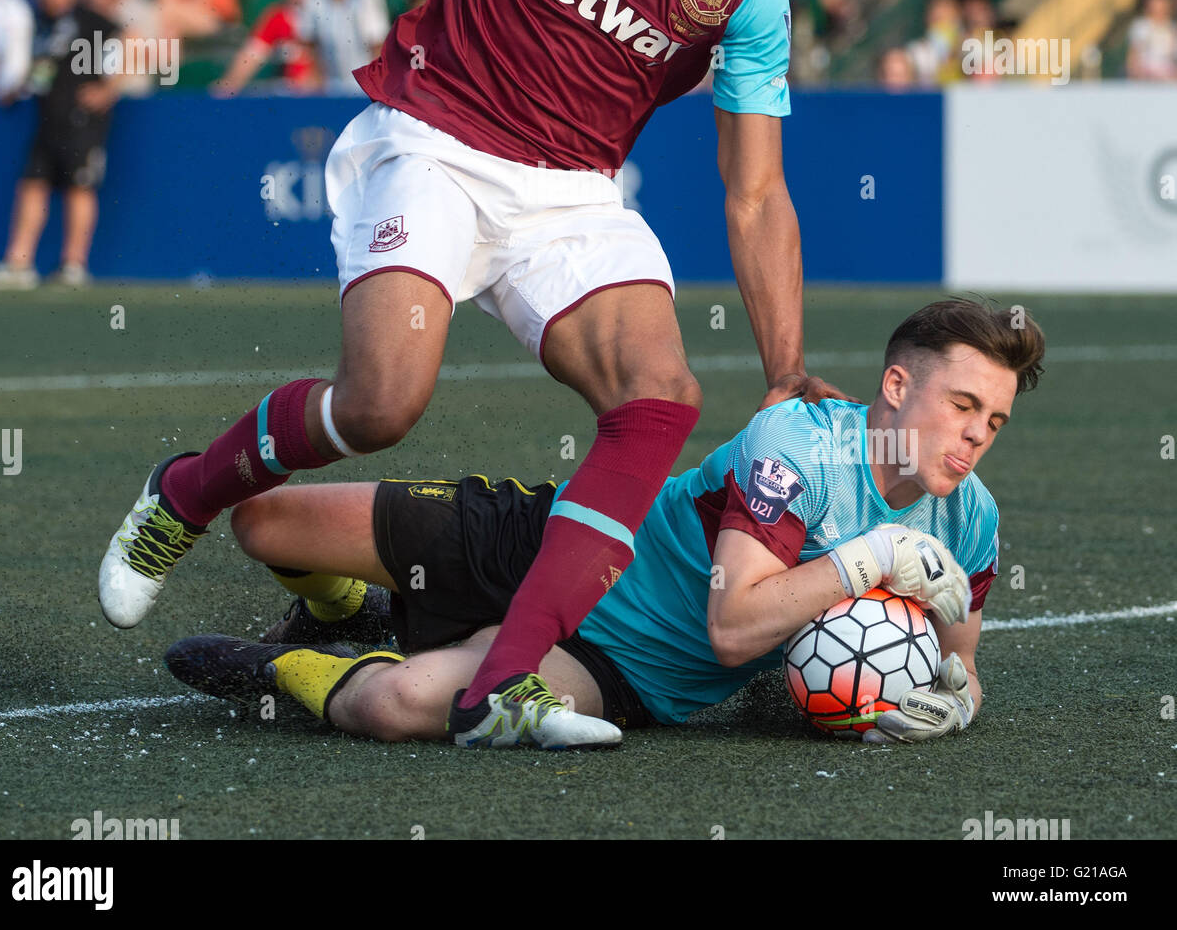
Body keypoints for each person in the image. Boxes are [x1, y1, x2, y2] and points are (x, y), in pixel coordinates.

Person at [44, 0, 851, 750]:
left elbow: (755, 189)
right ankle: (186, 491)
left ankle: (505, 683)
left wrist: (786, 365)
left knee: (659, 396)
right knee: (381, 401)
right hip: (431, 135)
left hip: (568, 192)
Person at [166, 299, 1044, 747]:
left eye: (993, 422)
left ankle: (284, 670)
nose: (974, 436)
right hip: (563, 541)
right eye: (962, 404)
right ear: (896, 387)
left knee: (400, 704)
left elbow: (958, 663)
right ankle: (339, 608)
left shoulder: (970, 520)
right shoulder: (799, 446)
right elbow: (736, 620)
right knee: (264, 520)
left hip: (622, 666)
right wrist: (874, 556)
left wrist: (953, 704)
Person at [0, 0, 121, 290]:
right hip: (46, 116)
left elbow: (129, 40)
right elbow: (39, 65)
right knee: (33, 183)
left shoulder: (89, 18)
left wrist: (109, 88)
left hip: (82, 119)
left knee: (79, 186)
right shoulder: (42, 22)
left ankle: (74, 264)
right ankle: (20, 263)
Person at [213, 0, 319, 95]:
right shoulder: (277, 17)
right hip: (290, 94)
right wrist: (227, 86)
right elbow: (251, 55)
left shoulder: (328, 14)